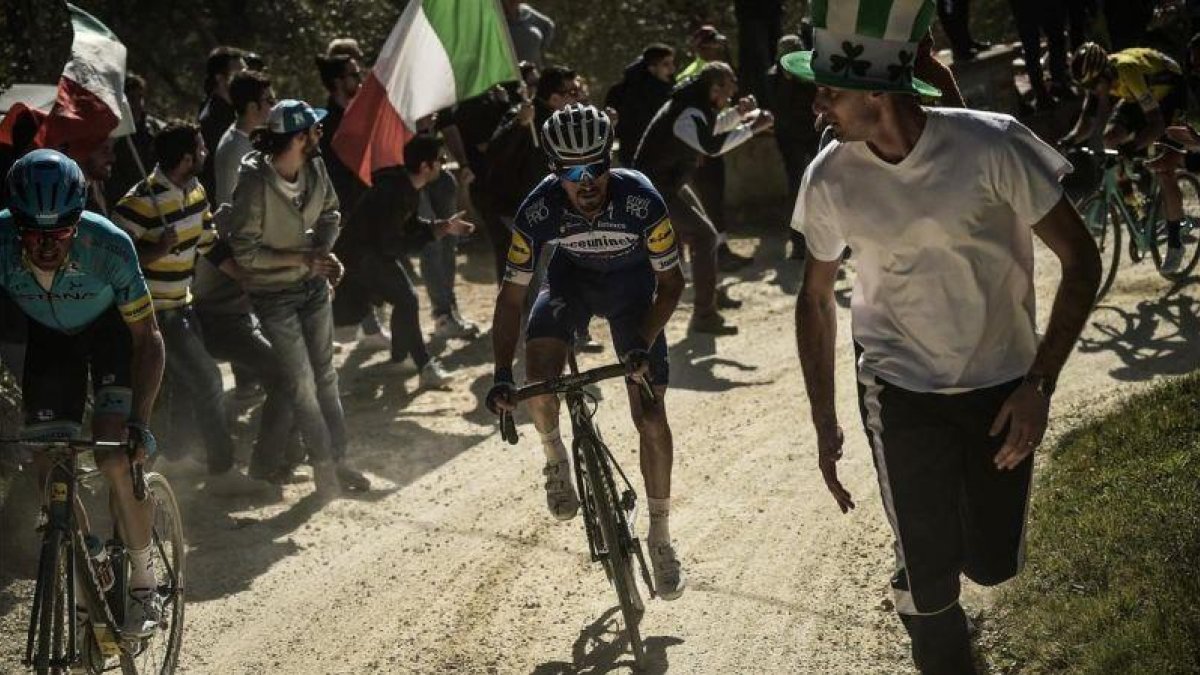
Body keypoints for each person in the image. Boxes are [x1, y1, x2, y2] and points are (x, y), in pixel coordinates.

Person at [787, 2, 1102, 672]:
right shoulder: (829, 177)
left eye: (829, 91)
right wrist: (825, 420)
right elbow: (814, 299)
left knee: (990, 562)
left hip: (1002, 383)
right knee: (930, 574)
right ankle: (935, 624)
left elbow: (1082, 258)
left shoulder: (992, 145)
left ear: (877, 90)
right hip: (897, 385)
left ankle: (938, 577)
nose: (818, 108)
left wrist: (1039, 385)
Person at [486, 104, 686, 599]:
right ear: (555, 172)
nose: (588, 181)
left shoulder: (641, 199)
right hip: (570, 284)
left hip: (634, 291)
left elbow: (671, 285)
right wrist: (498, 373)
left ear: (608, 160)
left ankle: (660, 535)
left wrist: (640, 343)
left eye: (596, 166)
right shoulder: (538, 210)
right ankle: (554, 456)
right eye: (573, 173)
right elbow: (512, 296)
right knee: (539, 374)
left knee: (651, 415)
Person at [1, 149, 167, 635]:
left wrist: (142, 421)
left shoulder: (108, 245)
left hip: (112, 334)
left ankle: (143, 580)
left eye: (60, 232)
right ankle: (87, 556)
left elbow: (149, 337)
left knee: (116, 456)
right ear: (16, 225)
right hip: (50, 341)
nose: (47, 245)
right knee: (48, 463)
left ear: (78, 221)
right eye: (34, 232)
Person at [113, 122, 267, 494]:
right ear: (185, 159)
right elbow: (119, 262)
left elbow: (209, 244)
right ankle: (222, 470)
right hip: (155, 314)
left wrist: (244, 277)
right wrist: (157, 250)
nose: (205, 153)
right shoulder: (137, 204)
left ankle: (177, 458)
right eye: (200, 149)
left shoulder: (195, 191)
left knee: (186, 385)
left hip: (185, 306)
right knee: (210, 381)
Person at [226, 99, 368, 496]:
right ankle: (323, 468)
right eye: (314, 130)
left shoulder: (316, 167)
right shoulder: (253, 183)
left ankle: (339, 461)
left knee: (325, 376)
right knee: (302, 383)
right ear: (299, 137)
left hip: (312, 286)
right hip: (273, 295)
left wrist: (322, 251)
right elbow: (246, 253)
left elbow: (331, 213)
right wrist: (302, 258)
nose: (321, 134)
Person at [634, 62, 774, 335]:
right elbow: (710, 146)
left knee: (699, 239)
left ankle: (703, 301)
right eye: (729, 89)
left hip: (669, 185)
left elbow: (709, 130)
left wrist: (738, 114)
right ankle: (703, 313)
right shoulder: (687, 111)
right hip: (656, 188)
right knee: (705, 237)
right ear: (714, 87)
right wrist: (751, 128)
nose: (732, 93)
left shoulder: (694, 106)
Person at [334, 134, 473, 386]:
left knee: (406, 299)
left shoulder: (406, 187)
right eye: (440, 160)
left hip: (371, 253)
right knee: (406, 299)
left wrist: (440, 227)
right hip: (360, 257)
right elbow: (393, 243)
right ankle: (422, 365)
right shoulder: (394, 191)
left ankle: (403, 359)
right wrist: (434, 233)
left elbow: (406, 226)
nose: (443, 164)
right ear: (425, 166)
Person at [1062, 42, 1188, 272]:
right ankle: (1133, 204)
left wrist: (1135, 144)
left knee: (1163, 168)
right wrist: (1068, 140)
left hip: (1169, 91)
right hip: (1138, 98)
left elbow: (1157, 123)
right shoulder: (1099, 79)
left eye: (1094, 84)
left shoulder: (1127, 71)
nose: (1094, 90)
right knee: (1111, 138)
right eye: (1087, 86)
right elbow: (1087, 121)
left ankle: (1176, 242)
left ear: (1105, 72)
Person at [605, 44, 677, 166]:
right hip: (639, 159)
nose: (672, 69)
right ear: (652, 68)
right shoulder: (630, 94)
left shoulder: (669, 90)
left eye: (672, 63)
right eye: (666, 64)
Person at [214, 70, 275, 206]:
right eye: (270, 101)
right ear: (252, 107)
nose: (274, 106)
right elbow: (228, 205)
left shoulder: (254, 137)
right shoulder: (232, 151)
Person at [106, 74, 166, 206]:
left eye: (140, 97)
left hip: (152, 197)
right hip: (123, 198)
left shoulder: (154, 128)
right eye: (132, 98)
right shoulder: (115, 131)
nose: (137, 103)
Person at [198, 46, 247, 197]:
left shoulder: (236, 111)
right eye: (238, 74)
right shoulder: (212, 119)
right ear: (220, 78)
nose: (244, 80)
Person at [503, 0, 555, 67]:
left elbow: (548, 26)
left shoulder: (526, 12)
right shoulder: (493, 14)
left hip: (530, 69)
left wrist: (539, 52)